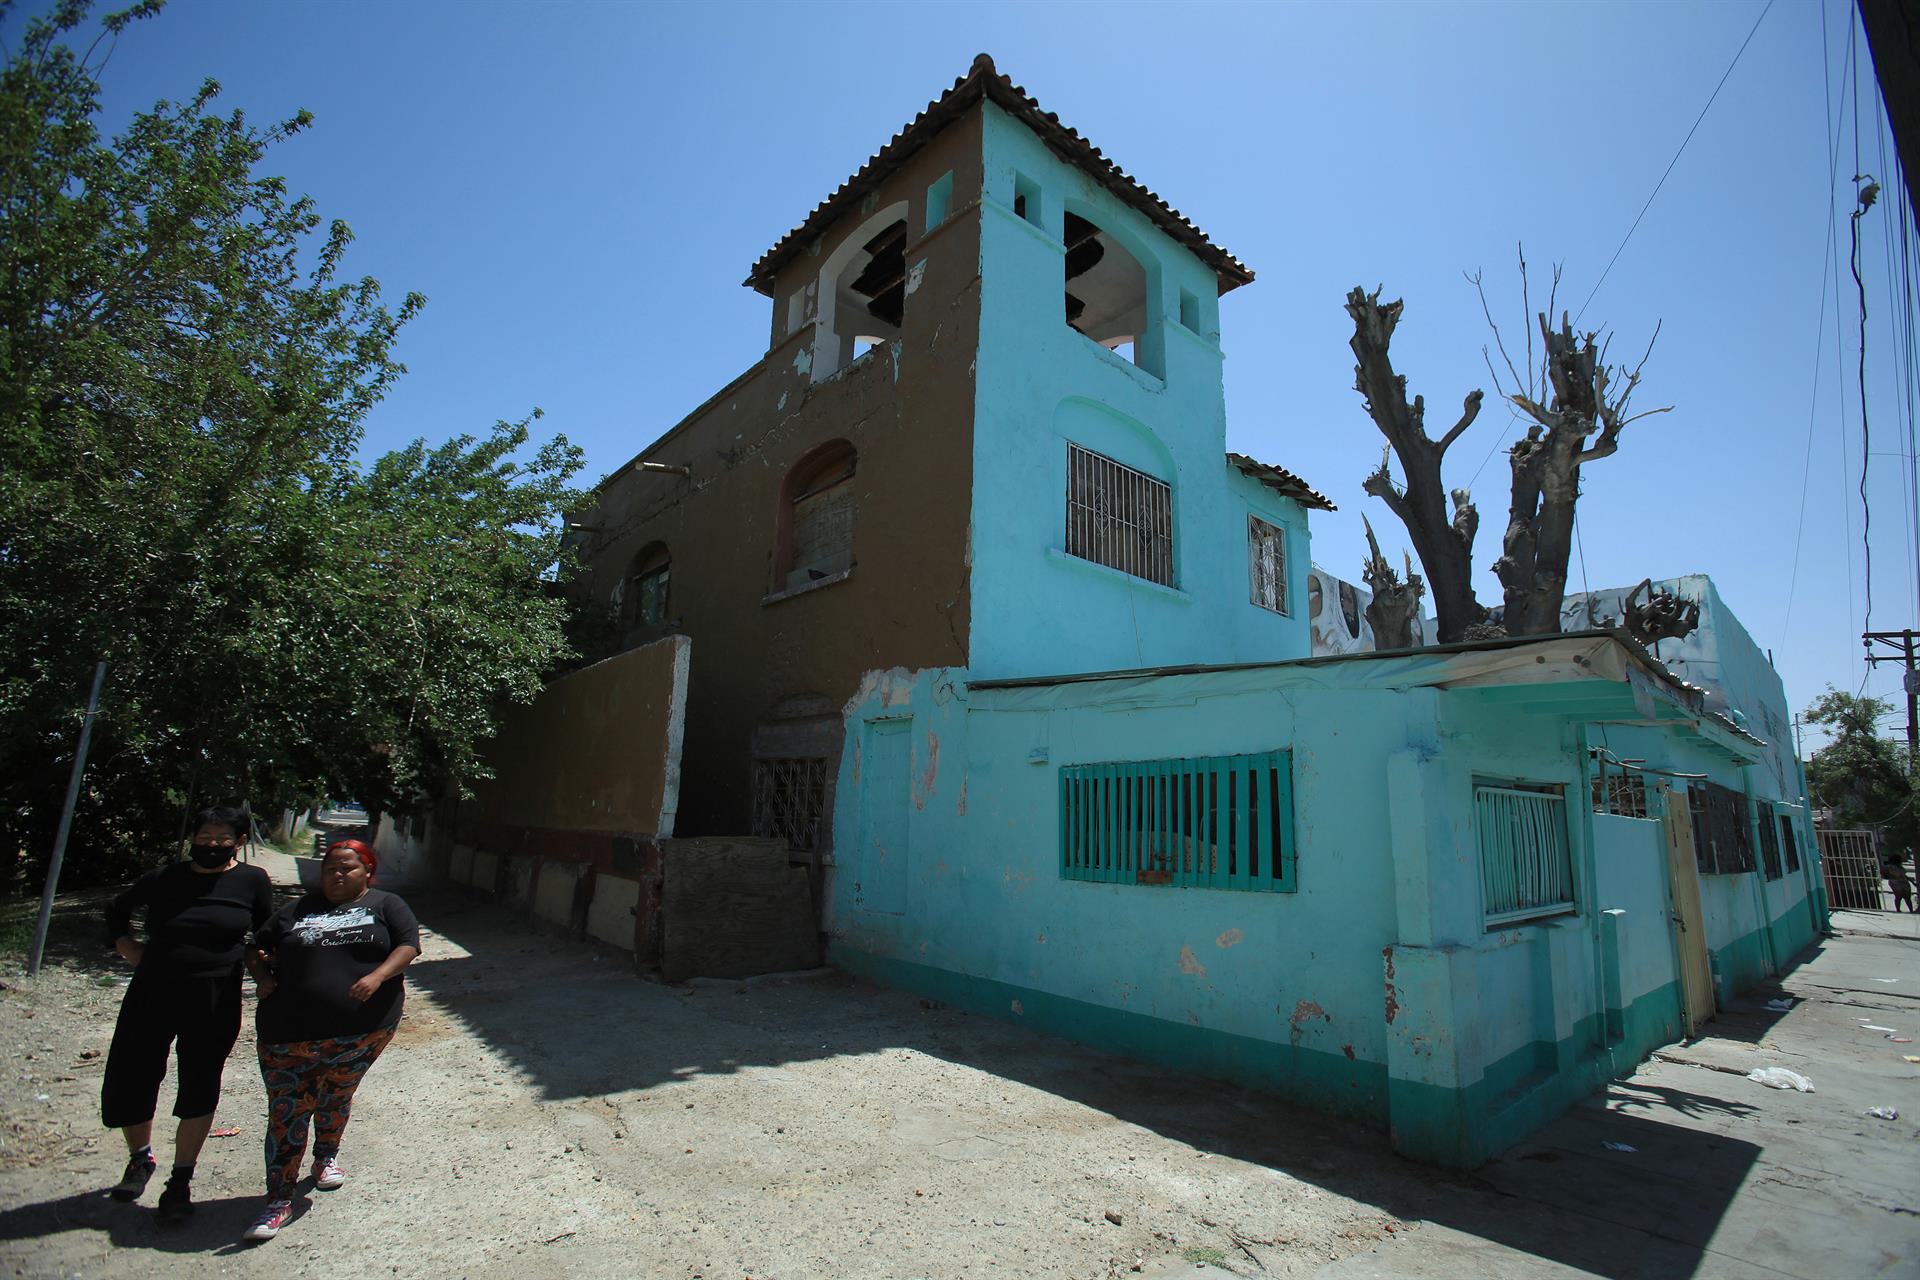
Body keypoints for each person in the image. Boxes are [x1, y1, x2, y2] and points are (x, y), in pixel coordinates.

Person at [102, 805, 275, 1220]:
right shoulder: (166, 878)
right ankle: (140, 1157)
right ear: (192, 838)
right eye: (204, 838)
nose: (211, 846)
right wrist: (127, 947)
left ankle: (180, 1182)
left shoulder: (252, 881)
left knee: (199, 1081)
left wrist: (269, 969)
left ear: (240, 842)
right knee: (134, 1072)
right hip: (153, 989)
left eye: (221, 840)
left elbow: (267, 931)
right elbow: (116, 908)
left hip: (214, 994)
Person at [242, 838, 419, 1242]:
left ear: (367, 872)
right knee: (288, 1110)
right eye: (329, 868)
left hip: (361, 1032)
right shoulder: (297, 909)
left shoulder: (386, 905)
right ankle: (279, 1198)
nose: (337, 875)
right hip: (288, 1034)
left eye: (347, 868)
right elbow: (255, 947)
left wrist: (377, 976)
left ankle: (325, 1157)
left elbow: (409, 945)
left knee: (335, 1095)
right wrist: (264, 977)